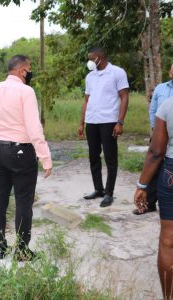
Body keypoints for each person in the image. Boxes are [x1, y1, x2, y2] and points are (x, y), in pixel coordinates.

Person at [0, 55, 52, 261]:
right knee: (23, 202)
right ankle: (22, 251)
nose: (30, 73)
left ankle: (0, 247)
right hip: (20, 151)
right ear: (22, 71)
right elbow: (34, 127)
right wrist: (45, 157)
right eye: (29, 69)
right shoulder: (26, 91)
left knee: (0, 198)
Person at [78, 47, 129, 207]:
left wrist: (120, 122)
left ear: (100, 57)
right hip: (92, 121)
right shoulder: (90, 77)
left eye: (92, 58)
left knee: (110, 158)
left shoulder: (117, 72)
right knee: (93, 156)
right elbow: (87, 100)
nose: (90, 62)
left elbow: (124, 96)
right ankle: (98, 189)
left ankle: (109, 193)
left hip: (109, 121)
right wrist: (81, 122)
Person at [134, 96, 173, 299]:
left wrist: (142, 185)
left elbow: (157, 151)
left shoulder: (168, 105)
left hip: (171, 173)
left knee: (168, 240)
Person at [136, 64, 173, 215]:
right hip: (160, 134)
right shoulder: (161, 89)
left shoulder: (169, 104)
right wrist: (155, 129)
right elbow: (153, 109)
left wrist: (140, 185)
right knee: (155, 167)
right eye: (171, 68)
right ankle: (149, 203)